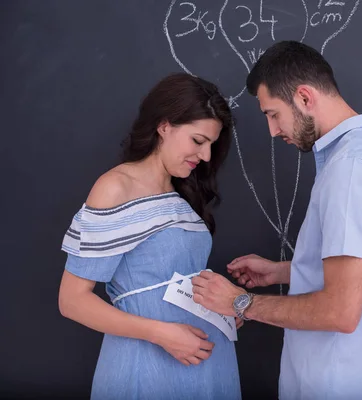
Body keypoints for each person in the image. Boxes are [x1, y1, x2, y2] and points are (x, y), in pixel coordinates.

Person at [192, 41, 362, 399]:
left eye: (273, 114)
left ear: (305, 98)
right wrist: (281, 272)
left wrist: (240, 302)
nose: (273, 131)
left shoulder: (350, 170)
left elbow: (340, 311)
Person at [58, 73, 242, 399]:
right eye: (198, 141)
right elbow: (72, 301)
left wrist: (222, 306)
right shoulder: (116, 188)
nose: (206, 156)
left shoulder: (182, 194)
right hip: (149, 363)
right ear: (165, 126)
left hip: (207, 362)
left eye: (212, 145)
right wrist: (161, 334)